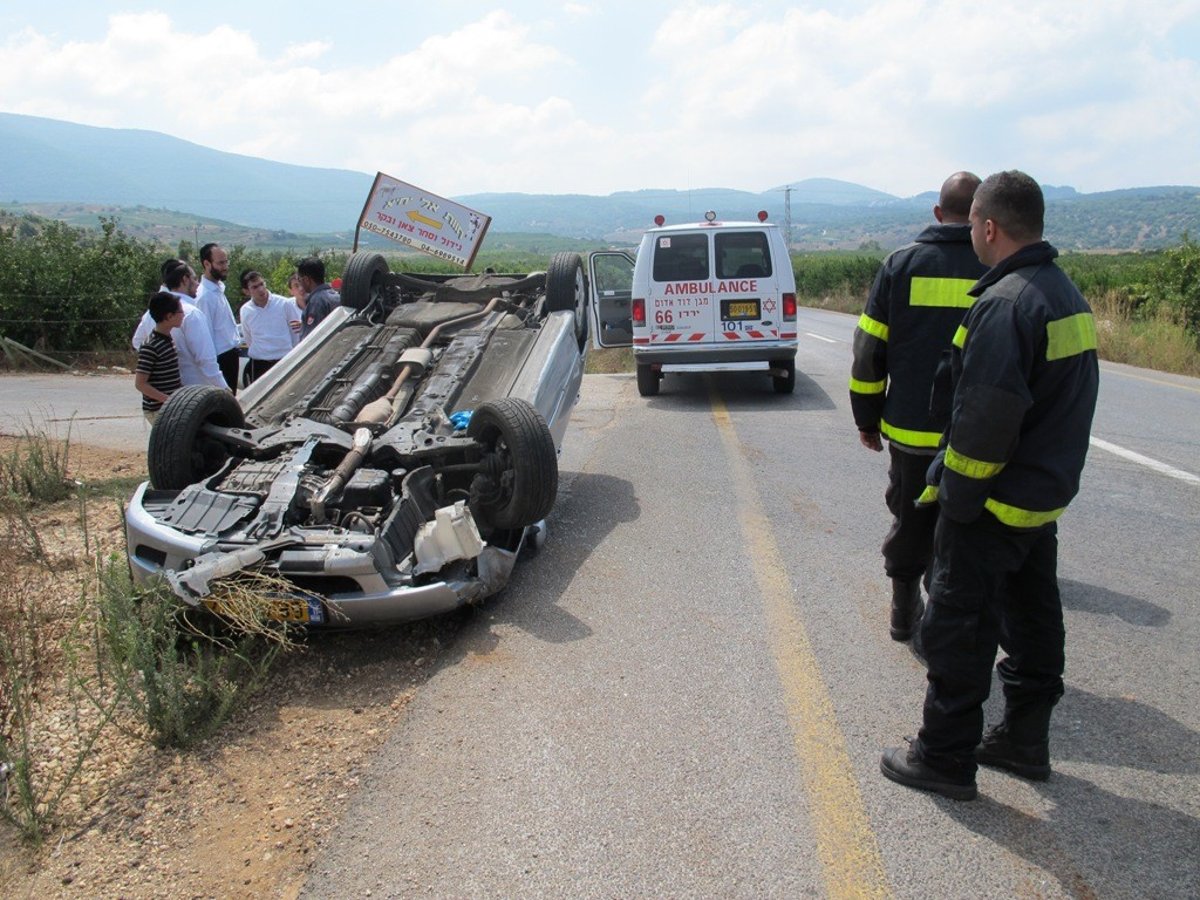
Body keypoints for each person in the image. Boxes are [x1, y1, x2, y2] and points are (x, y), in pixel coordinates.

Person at [880, 170, 1100, 801]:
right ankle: (1024, 741)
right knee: (1033, 619)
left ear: (989, 226)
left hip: (993, 504)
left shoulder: (1005, 305)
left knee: (959, 625)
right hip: (1039, 500)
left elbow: (983, 423)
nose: (971, 231)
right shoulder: (1062, 294)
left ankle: (944, 758)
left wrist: (957, 502)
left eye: (974, 222)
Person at [850, 172, 987, 641]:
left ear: (936, 212)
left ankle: (903, 614)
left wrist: (867, 419)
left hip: (911, 433)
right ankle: (945, 624)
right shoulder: (1001, 268)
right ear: (980, 217)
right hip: (979, 436)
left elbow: (870, 352)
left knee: (910, 523)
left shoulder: (899, 265)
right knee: (964, 529)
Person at [132, 262, 228, 390]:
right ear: (185, 279)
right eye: (194, 279)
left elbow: (138, 342)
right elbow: (206, 359)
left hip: (165, 391)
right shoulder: (192, 313)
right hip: (196, 391)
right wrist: (224, 387)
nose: (198, 284)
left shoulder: (151, 313)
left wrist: (159, 367)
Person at [238, 270, 302, 385]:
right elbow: (249, 338)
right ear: (246, 291)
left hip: (283, 361)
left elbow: (295, 334)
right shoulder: (246, 310)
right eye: (255, 287)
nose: (260, 289)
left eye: (262, 284)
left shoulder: (284, 304)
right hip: (260, 365)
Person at [195, 243, 242, 392]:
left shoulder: (218, 290)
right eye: (220, 263)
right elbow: (205, 338)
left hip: (231, 355)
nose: (225, 266)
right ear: (207, 264)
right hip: (221, 359)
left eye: (226, 262)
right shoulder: (205, 296)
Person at [134, 291, 184, 423]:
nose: (183, 315)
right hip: (158, 410)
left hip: (170, 408)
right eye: (180, 311)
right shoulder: (150, 346)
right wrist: (168, 400)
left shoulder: (168, 339)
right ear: (169, 316)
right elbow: (140, 384)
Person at [297, 257, 341, 338]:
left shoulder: (316, 302)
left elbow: (311, 338)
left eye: (299, 279)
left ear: (307, 280)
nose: (300, 283)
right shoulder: (337, 297)